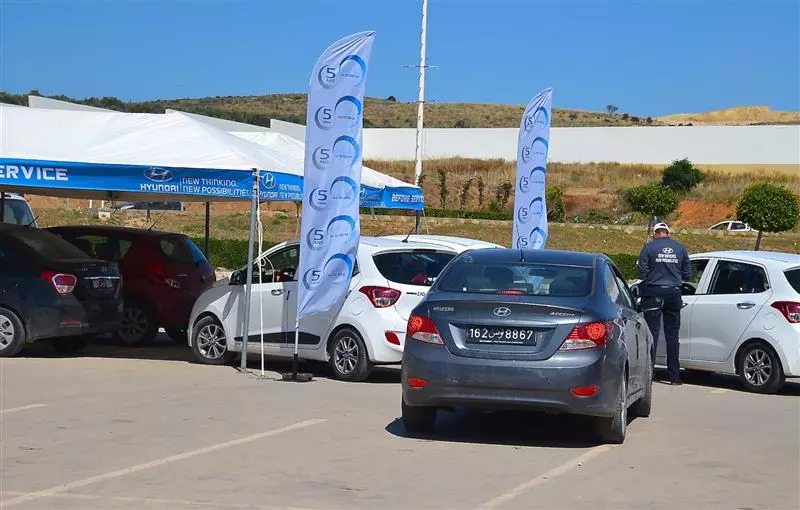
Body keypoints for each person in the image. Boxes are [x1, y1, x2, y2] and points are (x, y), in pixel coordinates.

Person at [637, 222, 691, 385]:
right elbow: (687, 274)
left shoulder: (649, 248)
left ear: (655, 233)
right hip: (674, 293)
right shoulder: (680, 248)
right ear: (668, 233)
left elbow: (641, 272)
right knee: (672, 336)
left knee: (651, 335)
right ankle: (674, 377)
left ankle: (649, 374)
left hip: (653, 292)